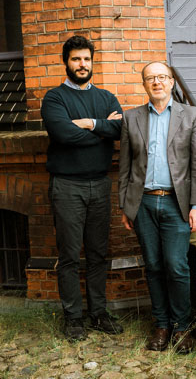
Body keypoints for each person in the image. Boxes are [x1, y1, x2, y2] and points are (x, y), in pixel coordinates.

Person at [118, 61, 196, 353]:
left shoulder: (191, 115)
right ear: (144, 84)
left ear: (171, 82)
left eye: (162, 77)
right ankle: (162, 325)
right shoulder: (131, 118)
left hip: (175, 203)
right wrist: (125, 205)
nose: (156, 82)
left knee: (177, 266)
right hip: (143, 202)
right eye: (150, 78)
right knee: (153, 266)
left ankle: (182, 328)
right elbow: (125, 166)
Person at [41, 35, 124, 341]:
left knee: (99, 253)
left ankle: (98, 313)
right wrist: (102, 127)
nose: (82, 64)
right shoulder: (54, 98)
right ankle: (73, 317)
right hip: (67, 186)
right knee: (70, 255)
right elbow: (63, 135)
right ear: (67, 62)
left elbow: (121, 128)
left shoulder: (106, 97)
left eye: (86, 59)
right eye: (76, 59)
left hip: (101, 184)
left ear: (92, 61)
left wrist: (89, 122)